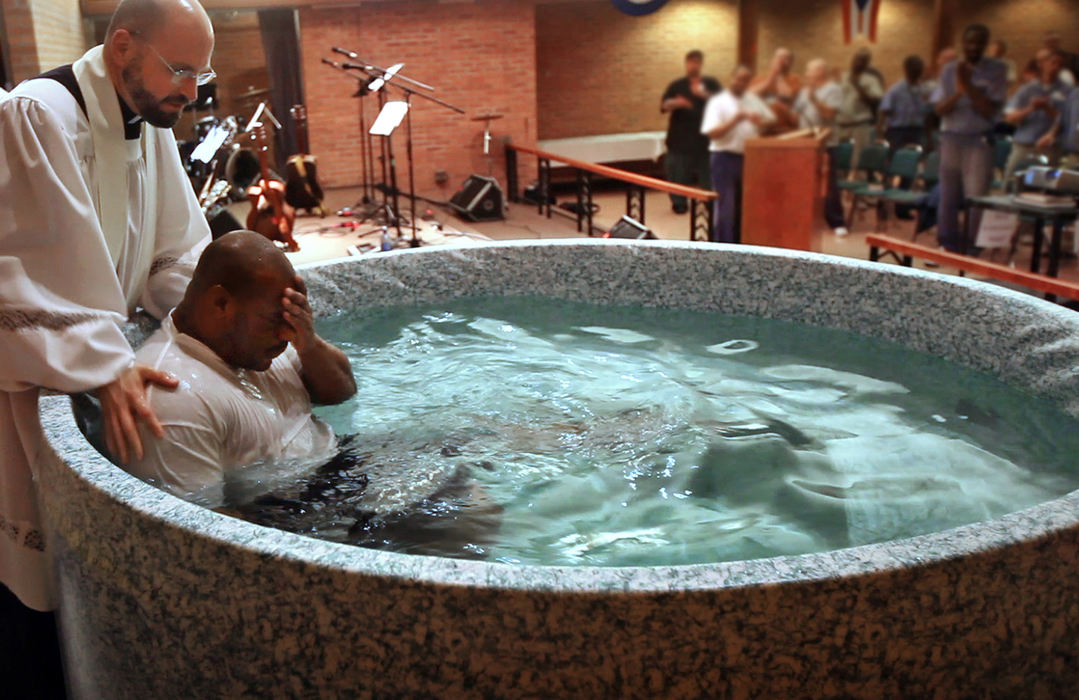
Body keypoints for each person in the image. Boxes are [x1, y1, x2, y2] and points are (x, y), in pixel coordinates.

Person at [0, 0, 214, 692]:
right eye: (181, 69)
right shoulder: (39, 115)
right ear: (123, 45)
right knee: (33, 588)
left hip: (99, 357)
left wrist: (215, 316)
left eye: (200, 76)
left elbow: (176, 251)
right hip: (36, 382)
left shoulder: (147, 120)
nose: (190, 90)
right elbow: (21, 271)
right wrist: (105, 361)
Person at [124, 231, 356, 505]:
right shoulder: (172, 397)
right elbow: (200, 526)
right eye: (273, 320)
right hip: (295, 516)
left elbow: (342, 391)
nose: (285, 334)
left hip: (338, 471)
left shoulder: (256, 340)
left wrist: (307, 340)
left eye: (290, 319)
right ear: (221, 304)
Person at [931, 24, 1008, 253]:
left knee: (975, 197)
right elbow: (940, 109)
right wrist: (959, 91)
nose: (973, 46)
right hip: (951, 138)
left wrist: (969, 85)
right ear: (963, 43)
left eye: (979, 42)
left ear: (985, 44)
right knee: (947, 196)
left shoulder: (997, 69)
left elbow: (989, 110)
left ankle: (972, 247)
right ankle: (947, 243)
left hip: (979, 140)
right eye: (970, 42)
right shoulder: (949, 70)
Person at [701, 65, 776, 244]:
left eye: (746, 80)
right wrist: (736, 119)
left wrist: (761, 123)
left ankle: (742, 245)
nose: (741, 83)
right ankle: (724, 246)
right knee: (726, 207)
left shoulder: (752, 99)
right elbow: (713, 133)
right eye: (739, 79)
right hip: (724, 158)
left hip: (749, 158)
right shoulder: (718, 102)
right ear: (732, 78)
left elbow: (771, 120)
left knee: (745, 207)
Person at [660, 50, 722, 214]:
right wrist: (676, 103)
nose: (693, 65)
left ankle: (710, 202)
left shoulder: (711, 83)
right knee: (678, 173)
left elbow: (722, 103)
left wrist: (702, 94)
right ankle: (679, 203)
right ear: (686, 63)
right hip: (680, 138)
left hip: (705, 139)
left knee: (708, 174)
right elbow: (664, 106)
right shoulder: (677, 85)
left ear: (701, 64)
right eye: (690, 62)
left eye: (696, 62)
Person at [792, 58, 847, 235]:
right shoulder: (805, 91)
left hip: (826, 144)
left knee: (829, 184)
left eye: (809, 70)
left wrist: (814, 100)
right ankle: (809, 218)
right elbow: (796, 114)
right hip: (805, 145)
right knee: (807, 183)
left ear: (821, 72)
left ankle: (837, 222)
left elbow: (830, 114)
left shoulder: (833, 89)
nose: (806, 74)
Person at [1002, 48, 1070, 182]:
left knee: (1045, 187)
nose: (1055, 67)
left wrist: (1047, 108)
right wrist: (1031, 108)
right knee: (1011, 182)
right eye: (1052, 62)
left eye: (1059, 64)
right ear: (1042, 64)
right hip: (1024, 146)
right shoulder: (1027, 89)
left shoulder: (1068, 91)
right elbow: (1010, 118)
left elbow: (1068, 119)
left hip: (1050, 149)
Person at [836, 48, 884, 166]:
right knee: (839, 160)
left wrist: (857, 85)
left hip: (859, 125)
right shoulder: (843, 76)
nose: (857, 62)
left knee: (857, 162)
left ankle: (856, 181)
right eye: (856, 59)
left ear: (866, 64)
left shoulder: (871, 80)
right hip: (841, 124)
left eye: (862, 60)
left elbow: (876, 101)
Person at [879, 55, 928, 153]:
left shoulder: (923, 90)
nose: (916, 71)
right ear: (906, 69)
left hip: (916, 130)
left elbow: (927, 114)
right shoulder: (895, 90)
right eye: (914, 68)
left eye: (919, 68)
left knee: (914, 160)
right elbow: (883, 112)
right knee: (896, 160)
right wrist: (880, 135)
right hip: (898, 131)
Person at [751, 47, 801, 131]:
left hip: (786, 129)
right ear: (772, 60)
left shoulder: (795, 79)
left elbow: (788, 96)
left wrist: (778, 76)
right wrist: (773, 75)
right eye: (778, 57)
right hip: (763, 128)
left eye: (784, 58)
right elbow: (750, 94)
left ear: (790, 63)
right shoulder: (759, 79)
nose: (780, 61)